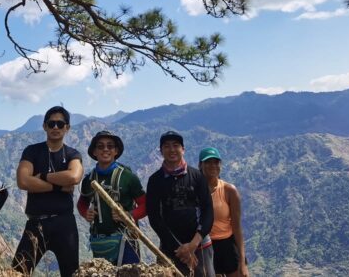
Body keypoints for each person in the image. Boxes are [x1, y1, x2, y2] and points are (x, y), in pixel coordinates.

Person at [12, 105, 84, 277]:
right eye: (51, 124)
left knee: (71, 273)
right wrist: (59, 185)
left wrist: (42, 176)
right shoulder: (32, 151)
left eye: (60, 124)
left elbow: (74, 177)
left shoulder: (73, 154)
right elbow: (23, 181)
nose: (55, 128)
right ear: (44, 126)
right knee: (17, 272)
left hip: (64, 224)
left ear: (67, 127)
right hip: (36, 223)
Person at [145, 131, 215, 277]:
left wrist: (193, 244)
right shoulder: (155, 181)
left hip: (200, 244)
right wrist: (180, 248)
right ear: (161, 151)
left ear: (183, 149)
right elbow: (154, 217)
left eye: (176, 146)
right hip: (170, 248)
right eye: (167, 146)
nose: (171, 150)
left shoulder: (197, 177)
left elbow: (208, 210)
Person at [77, 130, 146, 266]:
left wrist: (128, 215)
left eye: (110, 146)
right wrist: (86, 213)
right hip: (100, 243)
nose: (105, 149)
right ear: (94, 152)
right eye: (100, 146)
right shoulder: (89, 180)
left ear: (116, 151)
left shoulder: (128, 177)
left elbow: (145, 204)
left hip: (128, 242)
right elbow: (81, 203)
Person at [198, 147, 248, 277]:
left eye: (216, 162)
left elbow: (237, 228)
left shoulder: (229, 190)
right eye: (208, 162)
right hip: (205, 246)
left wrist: (242, 262)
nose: (213, 165)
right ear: (200, 165)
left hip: (228, 247)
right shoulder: (194, 191)